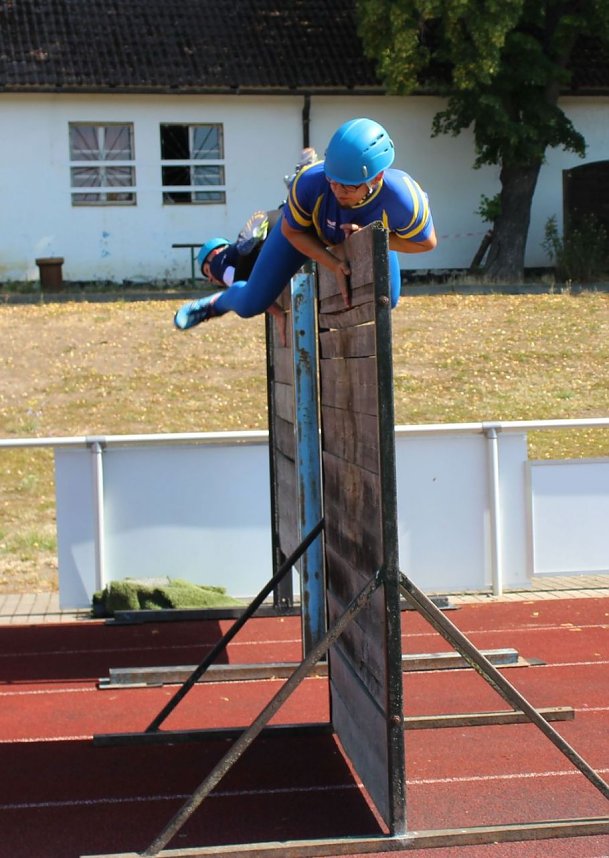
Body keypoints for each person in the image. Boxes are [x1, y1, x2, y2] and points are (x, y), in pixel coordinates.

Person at [173, 118, 437, 331]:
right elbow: (291, 232)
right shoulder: (311, 181)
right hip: (308, 231)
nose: (338, 191)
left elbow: (426, 242)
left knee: (386, 300)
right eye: (333, 181)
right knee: (252, 303)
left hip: (369, 230)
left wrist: (372, 239)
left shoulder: (403, 198)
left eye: (348, 185)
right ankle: (214, 305)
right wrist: (332, 263)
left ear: (377, 177)